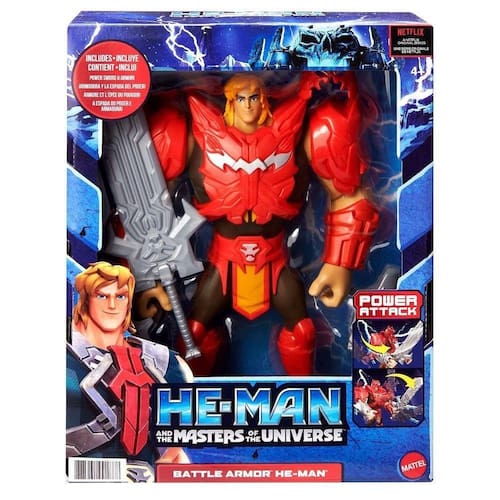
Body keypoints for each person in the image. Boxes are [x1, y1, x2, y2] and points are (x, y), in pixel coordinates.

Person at [141, 72, 380, 376]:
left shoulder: (305, 129)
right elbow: (147, 206)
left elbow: (348, 194)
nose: (248, 105)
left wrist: (339, 263)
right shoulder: (190, 132)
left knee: (303, 332)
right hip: (223, 259)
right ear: (230, 101)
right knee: (195, 335)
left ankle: (306, 394)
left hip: (275, 258)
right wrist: (149, 277)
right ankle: (189, 394)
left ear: (264, 99)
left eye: (254, 97)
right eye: (241, 98)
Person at [66, 261, 191, 477]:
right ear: (85, 300)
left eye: (121, 296)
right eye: (102, 296)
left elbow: (176, 456)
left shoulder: (168, 364)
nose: (112, 305)